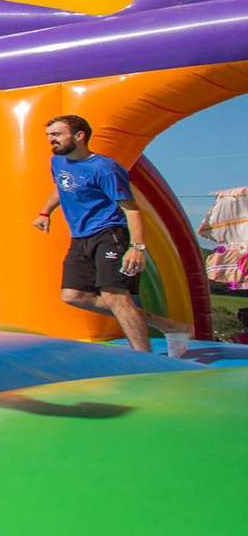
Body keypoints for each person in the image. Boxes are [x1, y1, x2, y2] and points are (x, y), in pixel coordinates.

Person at [34, 115, 191, 357]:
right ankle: (169, 326)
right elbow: (61, 185)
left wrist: (137, 248)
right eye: (49, 135)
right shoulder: (58, 161)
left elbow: (132, 209)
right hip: (80, 236)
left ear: (79, 136)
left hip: (110, 233)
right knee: (74, 296)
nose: (50, 139)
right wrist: (46, 211)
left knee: (115, 296)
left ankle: (143, 358)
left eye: (56, 134)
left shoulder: (104, 168)